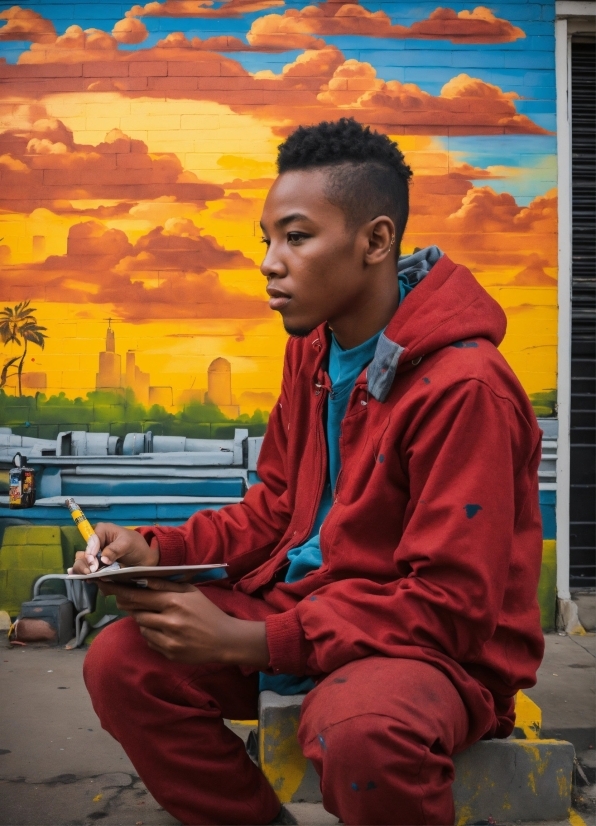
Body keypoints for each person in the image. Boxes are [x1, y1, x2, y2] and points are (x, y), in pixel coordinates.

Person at [75, 118, 545, 826]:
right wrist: (156, 550)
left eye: (295, 237)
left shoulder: (464, 385)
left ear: (376, 241)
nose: (270, 261)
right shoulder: (316, 351)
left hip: (433, 652)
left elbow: (452, 606)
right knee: (124, 662)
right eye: (266, 239)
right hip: (307, 607)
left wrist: (255, 641)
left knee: (361, 733)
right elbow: (275, 510)